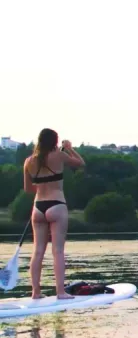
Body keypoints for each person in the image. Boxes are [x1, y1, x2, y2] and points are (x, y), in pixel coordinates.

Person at [22, 128, 85, 299]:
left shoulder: (28, 161)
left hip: (38, 207)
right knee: (57, 251)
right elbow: (81, 164)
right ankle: (60, 292)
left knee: (37, 252)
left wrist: (43, 185)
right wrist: (70, 148)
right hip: (57, 204)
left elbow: (28, 190)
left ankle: (35, 292)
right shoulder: (59, 155)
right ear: (55, 142)